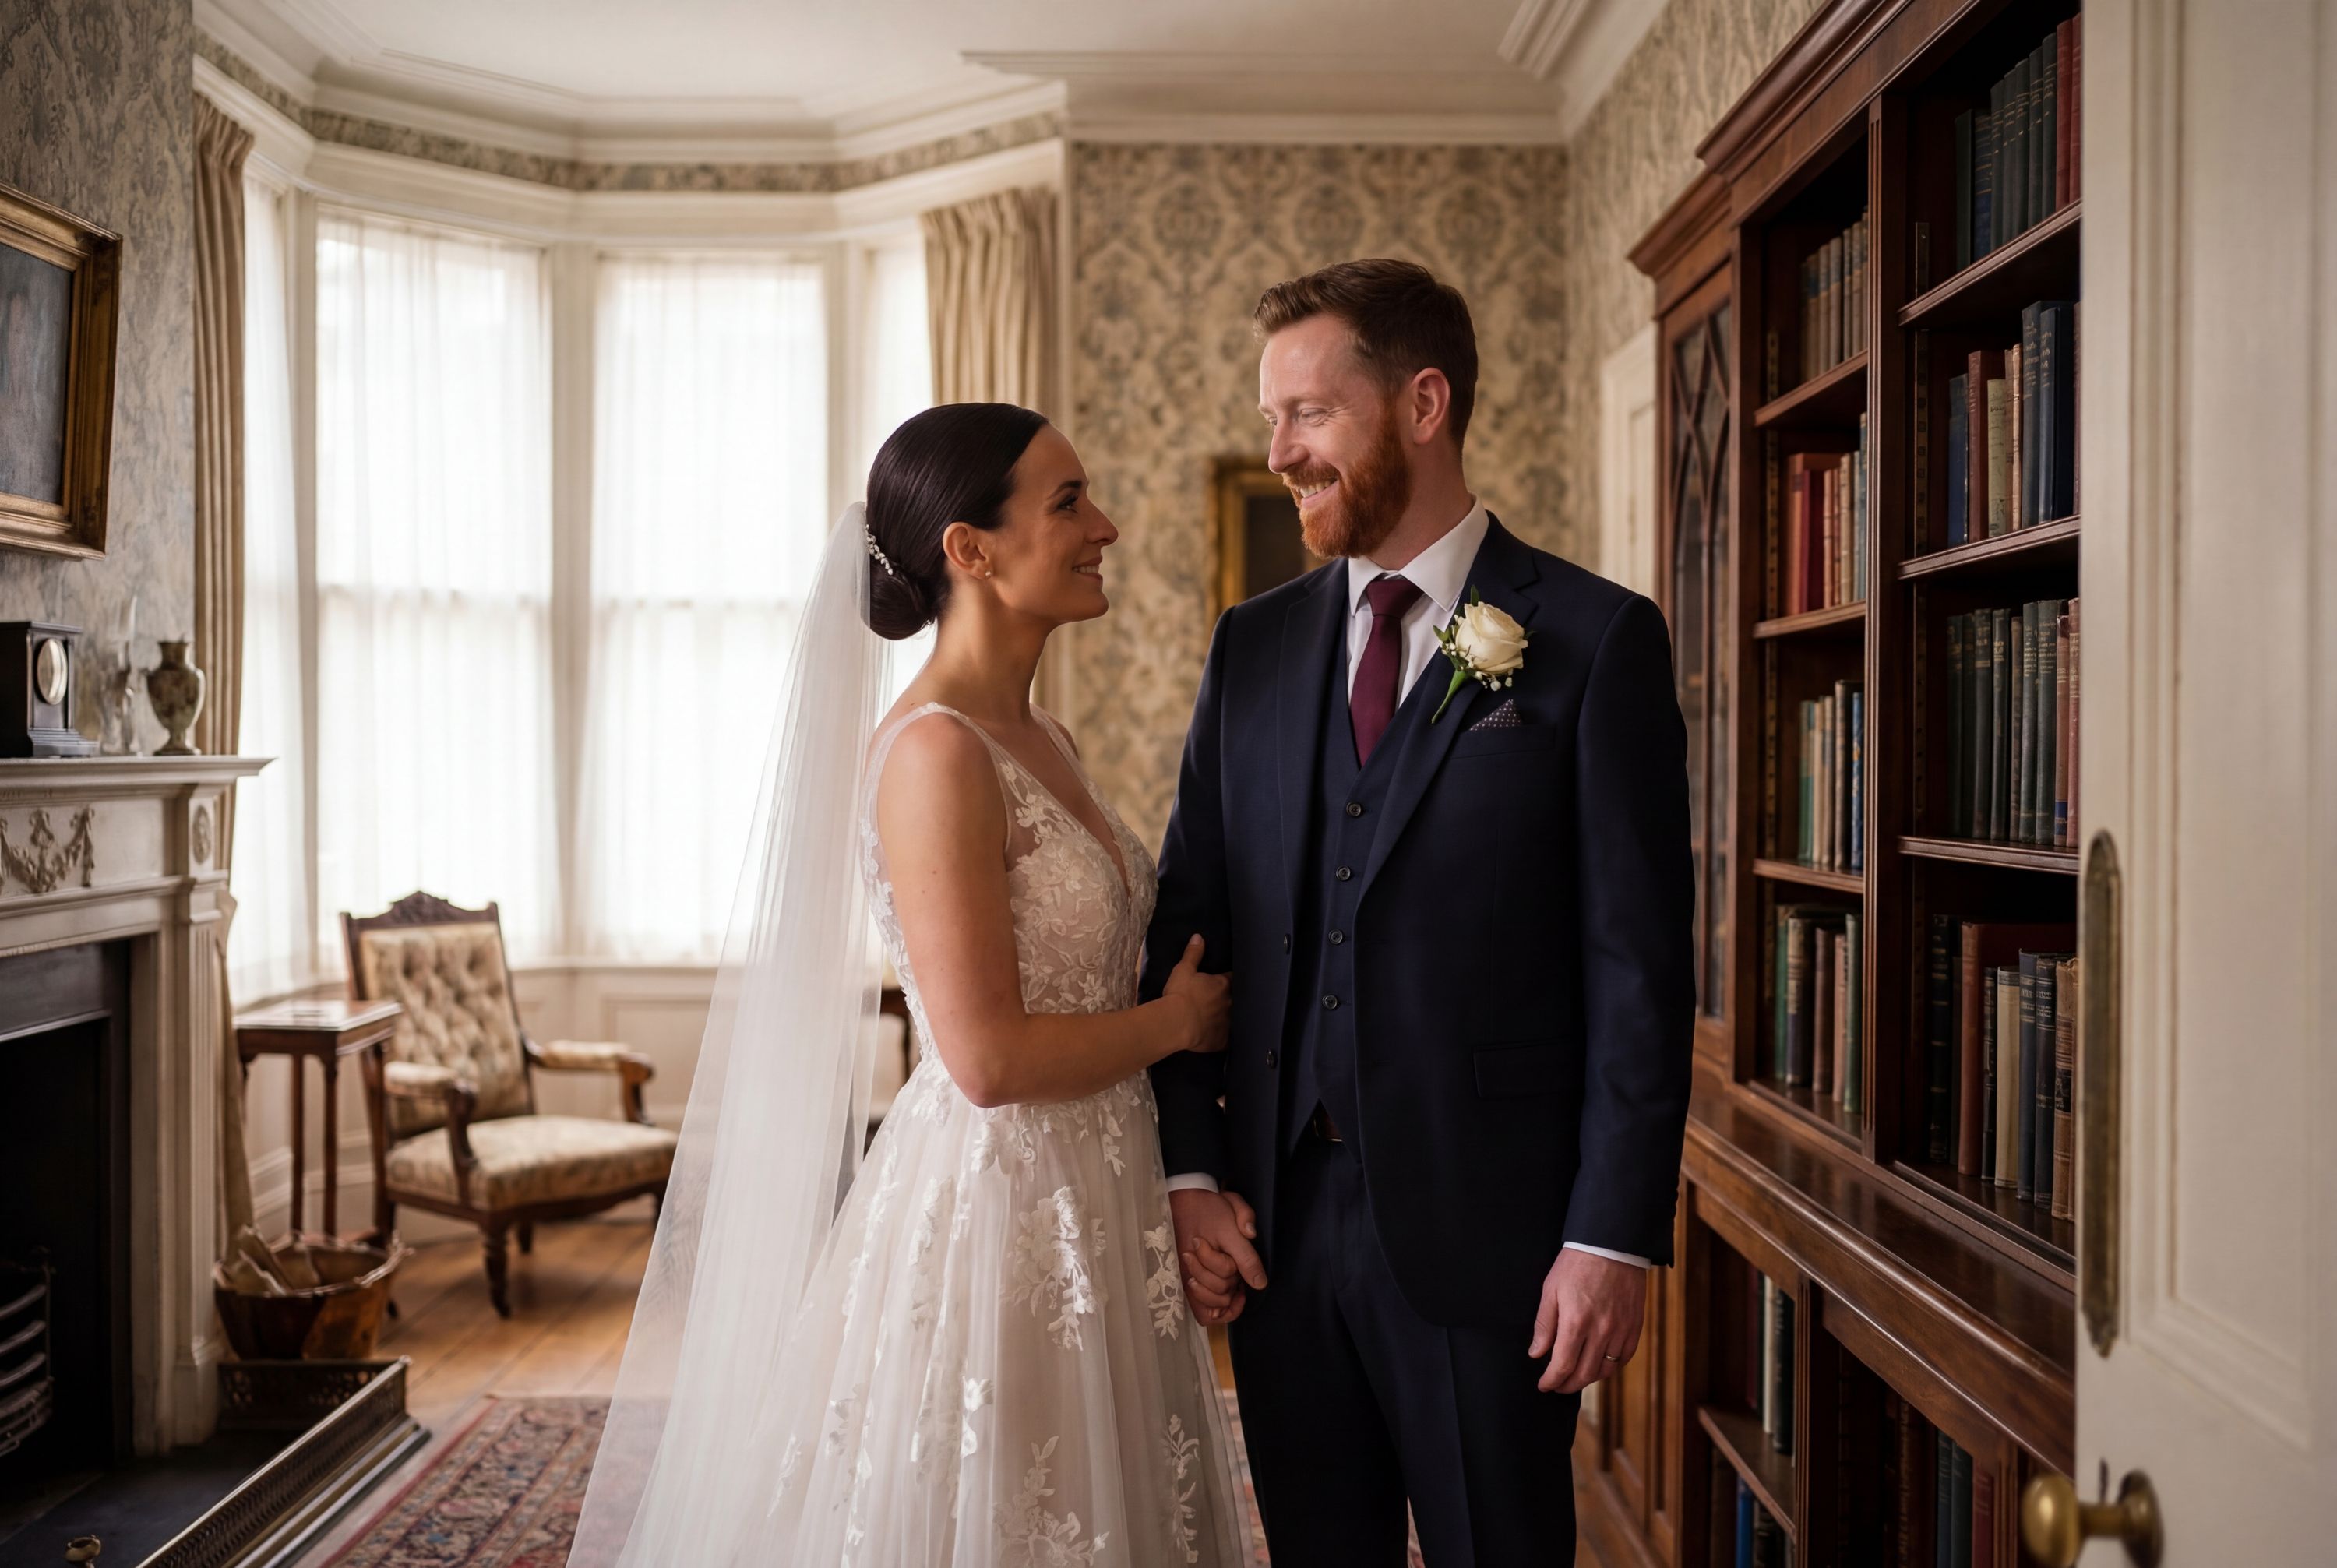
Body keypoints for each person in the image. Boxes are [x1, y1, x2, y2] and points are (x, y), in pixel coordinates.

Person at [574, 403, 1252, 1564]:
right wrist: (1176, 1022)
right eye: (1069, 503)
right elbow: (985, 1060)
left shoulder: (1050, 736)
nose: (1107, 526)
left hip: (1104, 1184)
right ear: (969, 549)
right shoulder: (936, 751)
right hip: (1005, 1205)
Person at [1147, 258, 1696, 1566]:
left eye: (1309, 414)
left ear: (1424, 403)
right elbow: (1188, 935)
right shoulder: (1253, 647)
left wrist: (1609, 1231)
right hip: (1278, 1238)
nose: (1278, 450)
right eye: (1272, 418)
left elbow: (1639, 967)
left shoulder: (1594, 639)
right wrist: (1188, 1171)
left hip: (1492, 1237)